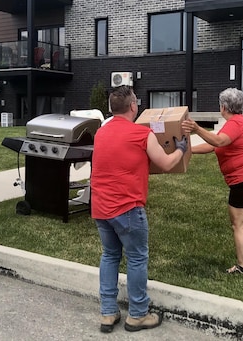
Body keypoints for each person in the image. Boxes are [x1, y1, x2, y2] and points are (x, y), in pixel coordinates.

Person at [91, 85, 188, 333]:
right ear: (133, 106)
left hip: (101, 208)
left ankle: (108, 313)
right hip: (127, 207)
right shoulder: (141, 134)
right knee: (136, 259)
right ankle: (137, 315)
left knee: (110, 256)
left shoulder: (101, 133)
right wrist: (180, 149)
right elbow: (166, 164)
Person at [181, 88, 243, 275]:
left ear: (223, 107)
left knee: (239, 224)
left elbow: (219, 141)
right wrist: (189, 150)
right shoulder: (237, 122)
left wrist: (197, 128)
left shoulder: (234, 124)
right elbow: (215, 144)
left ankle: (242, 267)